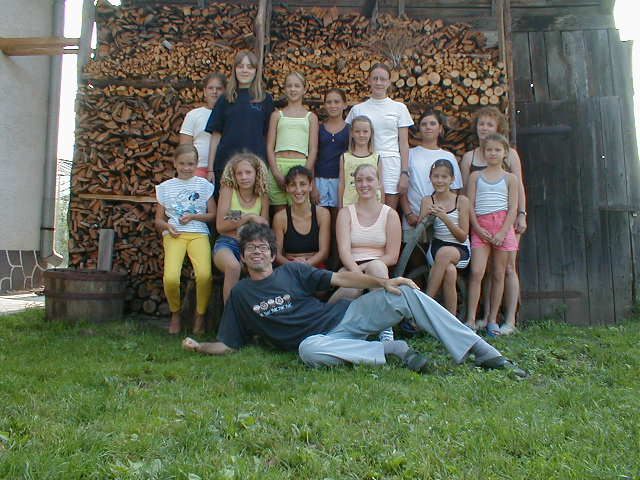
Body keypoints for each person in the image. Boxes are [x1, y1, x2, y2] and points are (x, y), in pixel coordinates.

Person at [181, 223, 527, 379]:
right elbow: (229, 344)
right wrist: (200, 348)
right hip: (321, 342)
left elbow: (342, 278)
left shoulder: (294, 272)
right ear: (242, 257)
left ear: (272, 254)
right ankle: (391, 351)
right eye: (249, 249)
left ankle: (485, 353)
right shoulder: (241, 295)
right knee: (307, 351)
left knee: (405, 292)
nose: (256, 252)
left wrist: (383, 282)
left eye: (262, 247)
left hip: (345, 317)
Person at [461, 107, 526, 335]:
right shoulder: (470, 159)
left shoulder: (510, 156)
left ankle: (508, 319)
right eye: (481, 124)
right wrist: (474, 225)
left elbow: (518, 188)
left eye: (490, 124)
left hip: (506, 222)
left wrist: (521, 214)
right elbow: (466, 196)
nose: (485, 128)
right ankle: (484, 317)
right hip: (480, 221)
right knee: (481, 271)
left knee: (506, 269)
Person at [332, 163, 400, 342]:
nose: (364, 184)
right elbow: (344, 251)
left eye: (369, 179)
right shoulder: (345, 213)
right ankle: (339, 328)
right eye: (359, 180)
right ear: (354, 184)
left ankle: (385, 329)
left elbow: (392, 256)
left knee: (376, 267)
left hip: (380, 267)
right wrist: (357, 273)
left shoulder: (390, 214)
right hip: (351, 266)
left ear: (379, 183)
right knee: (354, 287)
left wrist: (365, 269)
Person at [154, 145, 216, 334]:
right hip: (175, 234)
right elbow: (158, 220)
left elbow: (213, 215)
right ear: (175, 163)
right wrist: (168, 227)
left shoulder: (204, 185)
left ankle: (200, 315)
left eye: (190, 164)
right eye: (182, 163)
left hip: (198, 233)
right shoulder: (165, 188)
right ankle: (175, 313)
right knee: (171, 278)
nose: (186, 168)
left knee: (204, 275)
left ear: (197, 164)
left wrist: (194, 216)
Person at [205, 50, 274, 197]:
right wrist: (210, 168)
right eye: (240, 66)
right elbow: (216, 135)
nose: (245, 70)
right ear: (235, 69)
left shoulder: (265, 99)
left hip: (256, 163)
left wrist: (269, 165)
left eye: (249, 67)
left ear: (256, 71)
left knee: (255, 204)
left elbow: (269, 135)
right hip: (226, 162)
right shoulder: (225, 99)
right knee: (226, 205)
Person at [345, 63, 413, 209]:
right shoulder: (357, 109)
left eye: (383, 79)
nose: (378, 82)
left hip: (391, 165)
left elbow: (404, 144)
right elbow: (351, 141)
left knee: (387, 212)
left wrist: (404, 172)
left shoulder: (399, 108)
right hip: (364, 162)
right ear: (369, 81)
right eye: (375, 78)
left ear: (389, 82)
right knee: (363, 210)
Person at [214, 152, 270, 303]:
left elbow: (264, 226)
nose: (244, 177)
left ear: (256, 173)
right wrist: (248, 217)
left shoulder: (262, 195)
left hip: (251, 244)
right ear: (234, 175)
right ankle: (229, 313)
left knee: (260, 268)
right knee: (233, 267)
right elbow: (221, 226)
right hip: (226, 243)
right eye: (239, 173)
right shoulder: (228, 191)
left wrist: (235, 219)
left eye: (248, 172)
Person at [400, 110, 462, 243]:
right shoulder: (409, 154)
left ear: (440, 128)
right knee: (413, 254)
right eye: (424, 124)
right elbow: (402, 186)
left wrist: (445, 214)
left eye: (432, 124)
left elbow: (455, 190)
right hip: (413, 217)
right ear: (419, 129)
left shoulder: (448, 157)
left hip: (442, 220)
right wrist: (408, 214)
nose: (428, 127)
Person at [419, 159, 471, 315]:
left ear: (452, 179)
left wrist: (444, 217)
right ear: (430, 178)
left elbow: (462, 237)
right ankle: (450, 320)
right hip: (436, 247)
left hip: (459, 249)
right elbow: (421, 235)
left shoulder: (461, 200)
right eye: (436, 176)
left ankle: (425, 303)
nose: (439, 181)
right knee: (449, 271)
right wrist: (425, 216)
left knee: (445, 253)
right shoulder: (427, 200)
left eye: (444, 177)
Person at [266, 72, 319, 212]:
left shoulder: (311, 117)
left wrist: (306, 173)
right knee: (279, 213)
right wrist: (276, 172)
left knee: (298, 211)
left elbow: (313, 149)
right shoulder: (277, 115)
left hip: (300, 165)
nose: (293, 89)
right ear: (284, 89)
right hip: (279, 164)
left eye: (297, 86)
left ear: (304, 89)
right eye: (289, 86)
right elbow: (270, 146)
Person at [272, 166, 330, 267]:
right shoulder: (280, 218)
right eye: (293, 185)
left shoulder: (322, 214)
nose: (298, 190)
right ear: (287, 188)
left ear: (310, 186)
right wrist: (294, 266)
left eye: (303, 184)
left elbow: (324, 252)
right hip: (289, 267)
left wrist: (306, 264)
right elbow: (277, 255)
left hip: (315, 267)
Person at [179, 72, 227, 178]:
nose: (214, 92)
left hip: (224, 168)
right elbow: (185, 148)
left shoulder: (230, 115)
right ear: (205, 91)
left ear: (225, 91)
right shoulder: (193, 115)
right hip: (198, 169)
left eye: (219, 88)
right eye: (211, 88)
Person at [338, 115, 383, 207]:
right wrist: (340, 208)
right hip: (350, 204)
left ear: (371, 133)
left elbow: (380, 185)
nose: (361, 135)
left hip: (372, 206)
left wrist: (381, 208)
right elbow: (342, 184)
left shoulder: (376, 157)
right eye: (357, 131)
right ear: (352, 133)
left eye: (365, 131)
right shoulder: (345, 157)